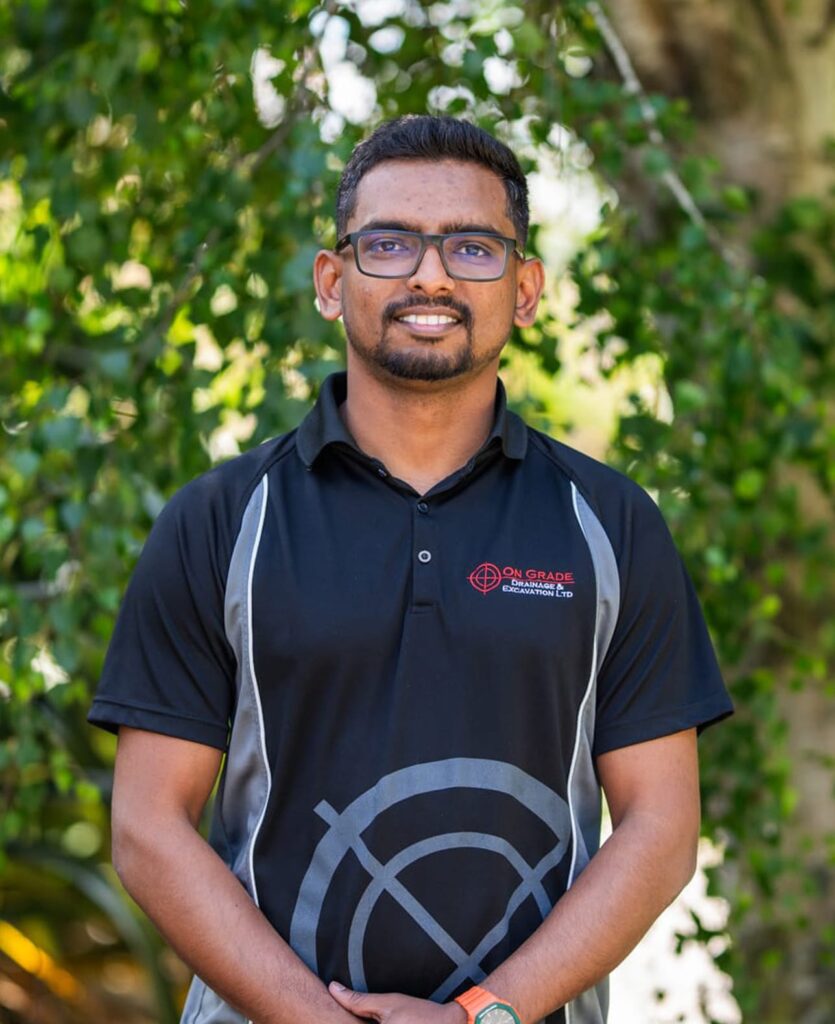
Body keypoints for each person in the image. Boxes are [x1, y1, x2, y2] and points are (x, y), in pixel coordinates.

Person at [89, 115, 733, 1024]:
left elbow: (660, 830)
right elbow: (147, 829)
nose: (430, 275)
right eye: (389, 243)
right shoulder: (221, 521)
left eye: (472, 247)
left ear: (524, 289)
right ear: (331, 280)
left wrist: (480, 1015)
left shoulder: (612, 524)